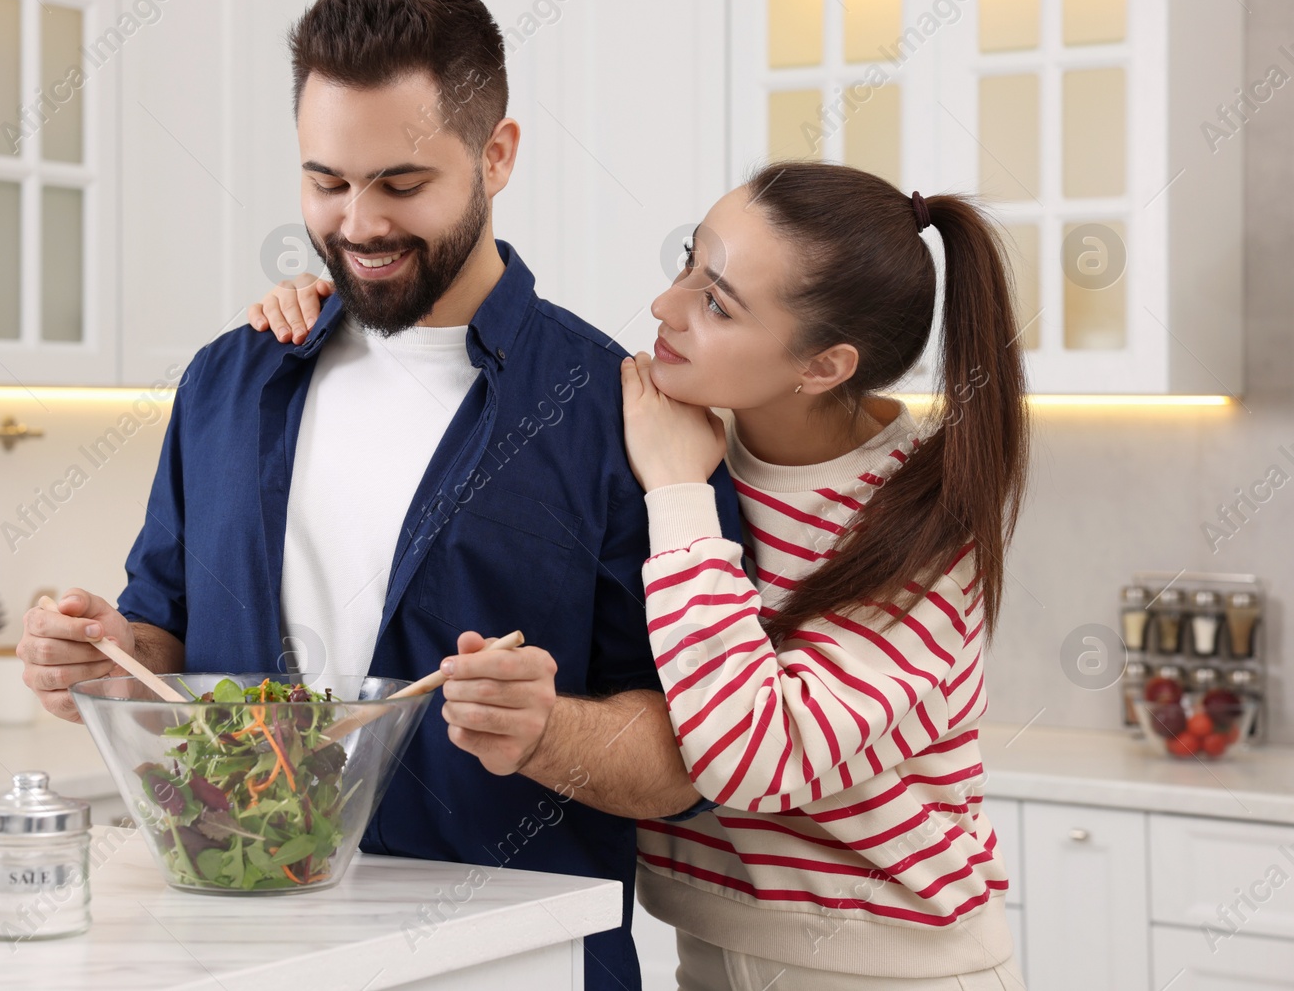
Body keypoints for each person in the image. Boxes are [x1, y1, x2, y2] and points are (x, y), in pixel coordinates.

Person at [15, 0, 740, 991]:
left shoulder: (621, 414)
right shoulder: (230, 380)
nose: (358, 224)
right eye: (326, 181)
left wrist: (546, 731)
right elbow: (160, 639)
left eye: (401, 184)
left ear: (498, 154)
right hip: (243, 953)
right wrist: (102, 658)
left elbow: (690, 756)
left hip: (508, 965)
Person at [260, 161, 1030, 988]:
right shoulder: (676, 426)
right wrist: (352, 309)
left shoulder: (919, 530)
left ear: (822, 367)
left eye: (717, 303)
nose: (667, 307)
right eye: (688, 264)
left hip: (887, 967)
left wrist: (677, 492)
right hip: (706, 952)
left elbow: (747, 756)